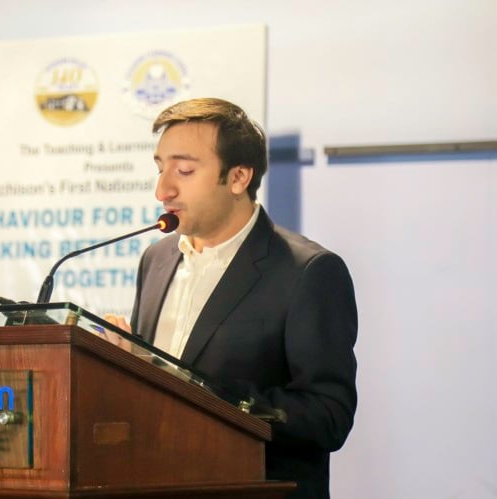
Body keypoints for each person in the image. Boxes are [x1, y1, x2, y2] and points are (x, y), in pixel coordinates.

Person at [108, 98, 357, 499]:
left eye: (184, 171)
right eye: (159, 168)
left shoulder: (308, 272)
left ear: (239, 177)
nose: (162, 190)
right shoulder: (157, 259)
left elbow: (328, 417)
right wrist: (124, 362)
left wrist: (201, 392)